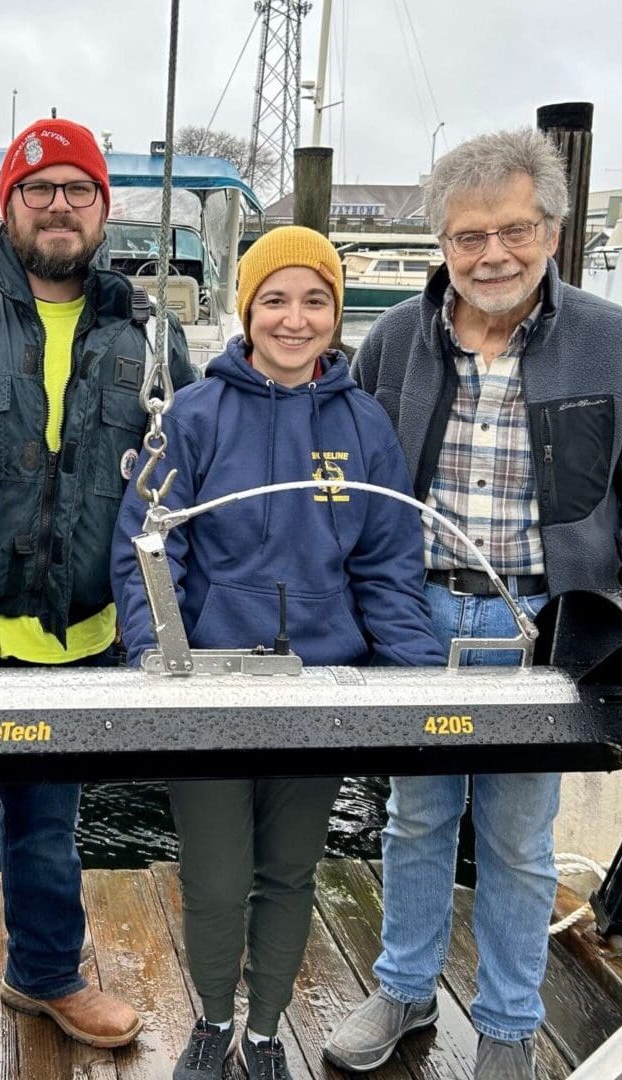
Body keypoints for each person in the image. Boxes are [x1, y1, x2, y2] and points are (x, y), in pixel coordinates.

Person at [111, 226, 445, 1080]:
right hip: (207, 690)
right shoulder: (191, 416)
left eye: (315, 301)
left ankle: (264, 1032)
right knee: (217, 878)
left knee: (289, 872)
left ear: (336, 314)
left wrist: (415, 690)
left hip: (320, 686)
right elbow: (147, 550)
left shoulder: (365, 426)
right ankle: (211, 1020)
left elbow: (388, 564)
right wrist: (157, 664)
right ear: (247, 309)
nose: (295, 320)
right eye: (275, 300)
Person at [322, 128, 622, 1080]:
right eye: (469, 237)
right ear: (442, 243)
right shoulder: (398, 339)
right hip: (420, 618)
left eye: (516, 231)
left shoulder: (611, 342)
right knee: (415, 817)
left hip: (548, 625)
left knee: (521, 838)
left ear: (553, 229)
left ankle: (506, 1026)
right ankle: (405, 989)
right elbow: (353, 475)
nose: (494, 254)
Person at [0, 116, 195, 1079]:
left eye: (79, 189)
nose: (59, 205)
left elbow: (180, 485)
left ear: (105, 208)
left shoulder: (152, 336)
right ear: (9, 203)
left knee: (49, 830)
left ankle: (45, 974)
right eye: (40, 188)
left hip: (89, 639)